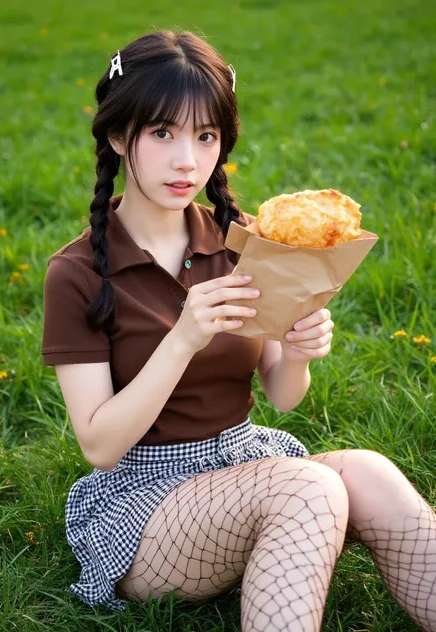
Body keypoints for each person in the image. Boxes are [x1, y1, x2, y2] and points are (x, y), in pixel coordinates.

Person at [41, 29, 436, 632]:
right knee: (309, 487)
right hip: (142, 504)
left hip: (244, 462)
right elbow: (99, 445)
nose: (187, 160)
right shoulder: (75, 273)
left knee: (370, 474)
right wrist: (182, 338)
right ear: (120, 137)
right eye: (162, 133)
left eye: (206, 136)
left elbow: (282, 393)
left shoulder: (244, 240)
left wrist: (299, 355)